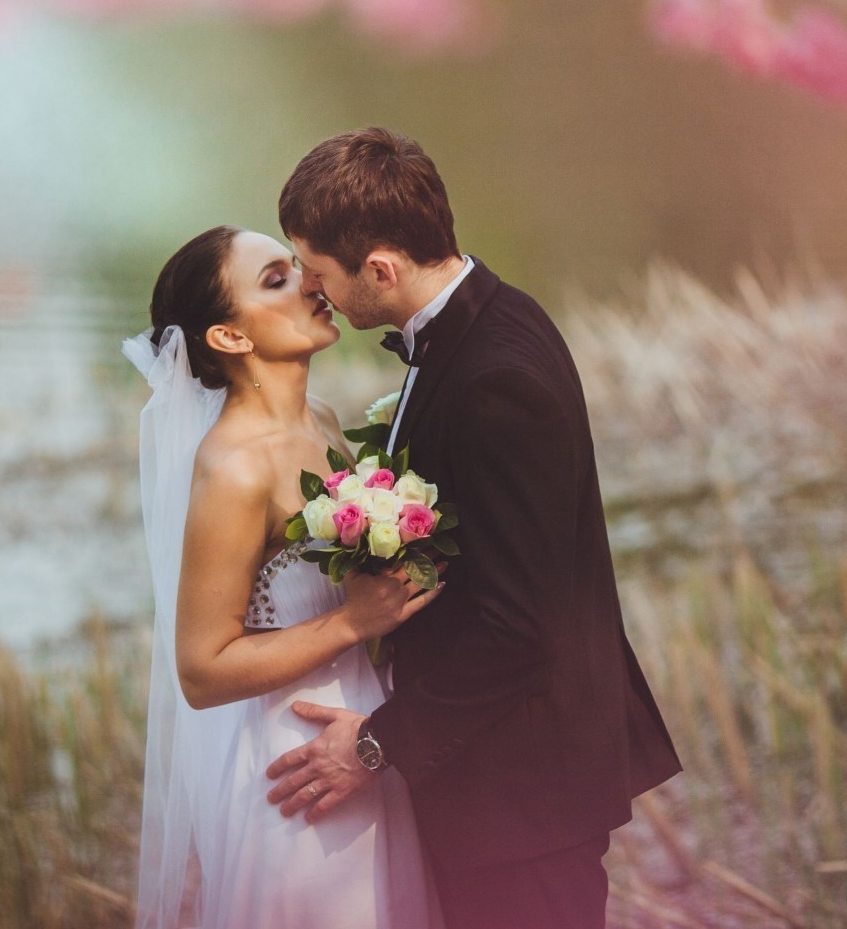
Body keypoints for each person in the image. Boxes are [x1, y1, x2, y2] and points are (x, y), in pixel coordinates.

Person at [264, 127, 683, 929]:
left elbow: (520, 626)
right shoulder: (490, 316)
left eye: (318, 273)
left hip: (522, 786)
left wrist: (376, 743)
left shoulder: (495, 379)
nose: (314, 292)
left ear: (380, 268)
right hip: (505, 772)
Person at [124, 224, 444, 929]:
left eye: (297, 266)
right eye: (275, 279)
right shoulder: (234, 467)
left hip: (366, 733)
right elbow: (202, 671)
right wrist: (353, 622)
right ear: (230, 338)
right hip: (297, 768)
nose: (309, 281)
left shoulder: (324, 421)